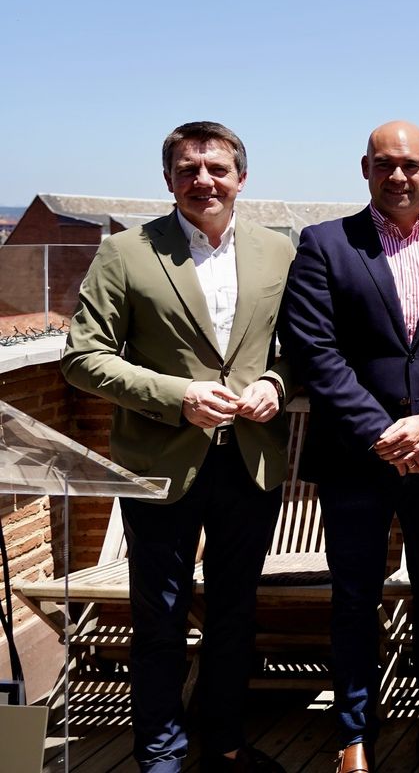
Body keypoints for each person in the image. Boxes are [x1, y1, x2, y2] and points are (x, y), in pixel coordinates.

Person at [62, 121, 293, 773]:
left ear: (241, 178)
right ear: (168, 180)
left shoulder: (279, 252)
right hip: (160, 463)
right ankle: (160, 756)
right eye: (188, 169)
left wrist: (278, 381)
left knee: (234, 613)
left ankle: (222, 745)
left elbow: (299, 347)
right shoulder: (126, 253)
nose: (204, 181)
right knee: (159, 618)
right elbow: (83, 358)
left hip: (251, 459)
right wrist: (176, 395)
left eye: (217, 168)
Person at [280, 121, 419, 773]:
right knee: (353, 599)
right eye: (384, 164)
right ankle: (352, 736)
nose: (398, 176)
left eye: (410, 165)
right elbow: (315, 350)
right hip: (352, 458)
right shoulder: (324, 244)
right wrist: (382, 432)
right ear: (365, 169)